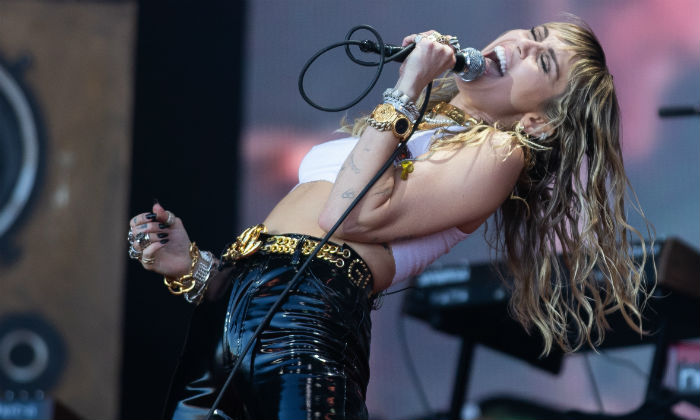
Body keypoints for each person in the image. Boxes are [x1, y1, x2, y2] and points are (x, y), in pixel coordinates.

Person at [127, 16, 651, 420]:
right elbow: (289, 250)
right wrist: (194, 269)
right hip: (227, 319)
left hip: (308, 326)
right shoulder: (426, 121)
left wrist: (410, 83)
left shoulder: (498, 155)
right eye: (535, 34)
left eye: (543, 62)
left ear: (538, 118)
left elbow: (347, 217)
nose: (523, 43)